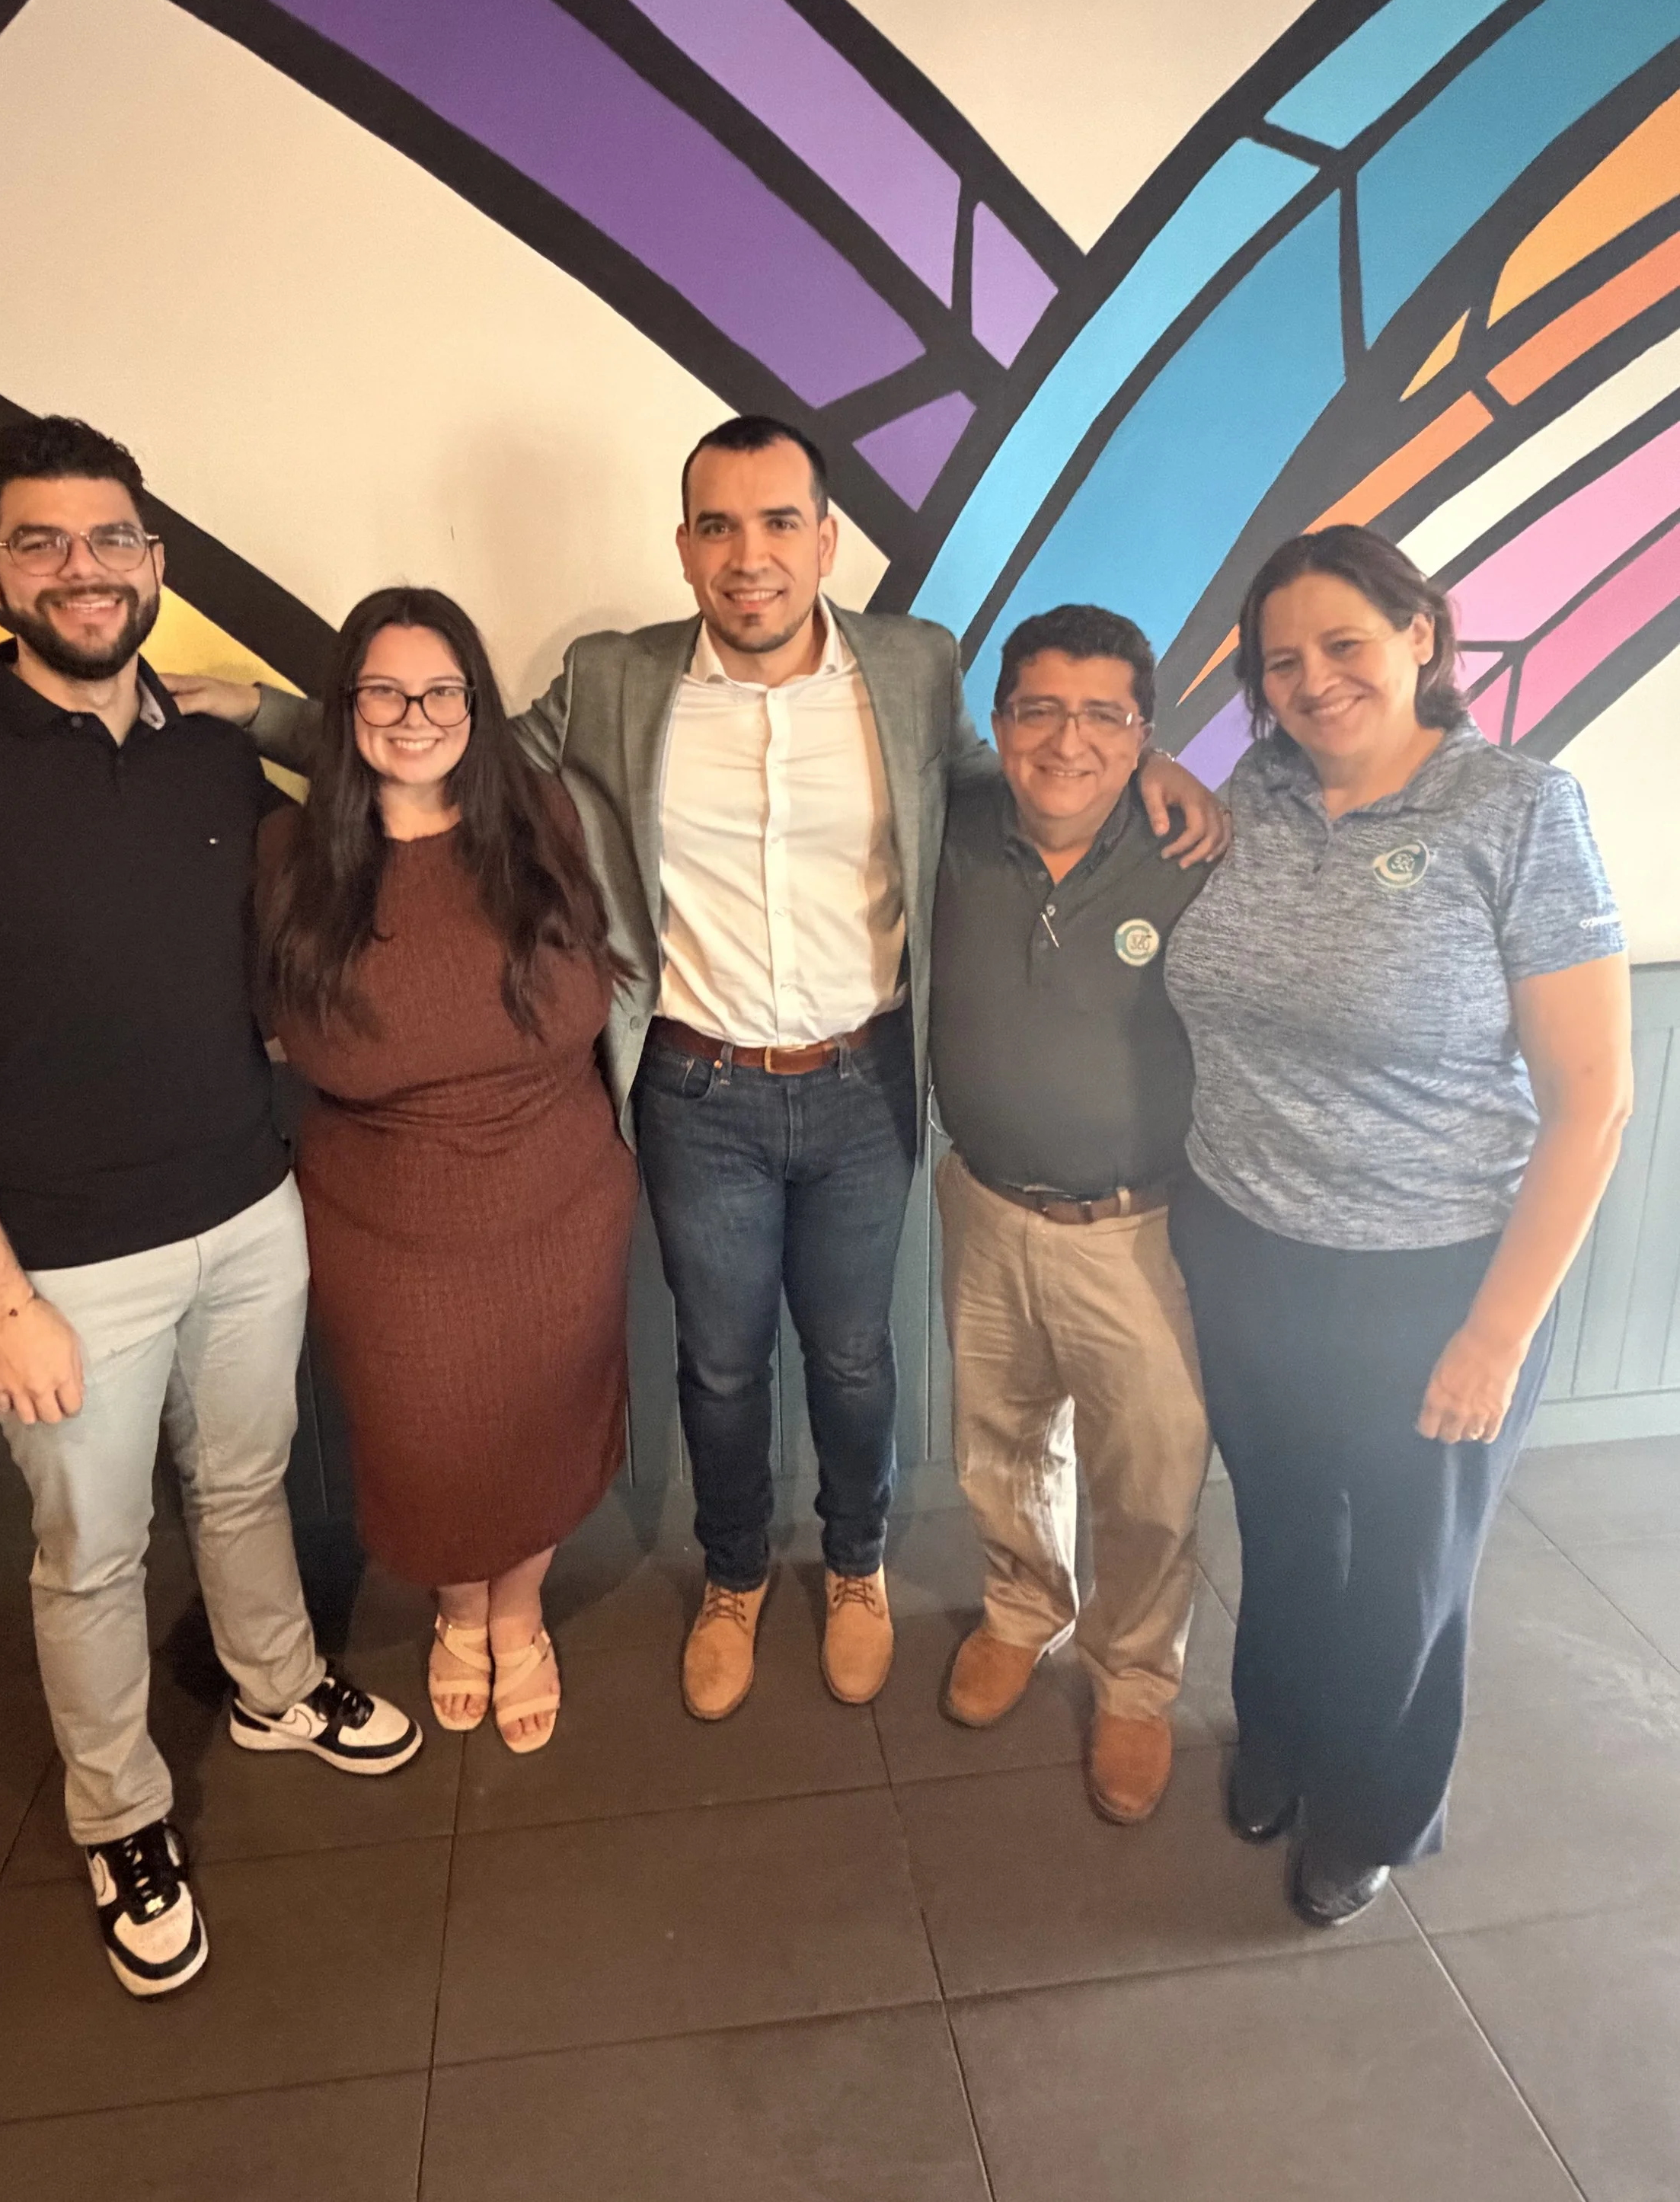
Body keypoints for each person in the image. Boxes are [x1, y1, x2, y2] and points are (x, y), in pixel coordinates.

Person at [170, 415, 1225, 1719]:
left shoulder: (911, 664)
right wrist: (271, 714)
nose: (752, 556)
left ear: (827, 539)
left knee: (850, 1357)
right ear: (683, 549)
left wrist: (1153, 763)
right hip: (697, 1088)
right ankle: (732, 1578)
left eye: (782, 523)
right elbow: (456, 751)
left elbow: (1007, 778)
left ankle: (855, 1568)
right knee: (721, 1362)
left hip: (863, 1083)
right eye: (719, 526)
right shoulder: (616, 679)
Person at [0, 417, 417, 2002]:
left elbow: (404, 777)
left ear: (155, 562)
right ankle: (120, 1815)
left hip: (247, 1206)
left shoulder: (220, 755)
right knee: (89, 1551)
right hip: (59, 1263)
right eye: (42, 541)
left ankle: (275, 1685)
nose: (83, 569)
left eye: (112, 540)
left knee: (247, 1481)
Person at [1163, 524, 1632, 1926]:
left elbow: (1594, 1099)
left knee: (1414, 1570)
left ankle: (1374, 1809)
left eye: (1344, 646)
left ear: (1423, 634)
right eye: (1282, 664)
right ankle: (1286, 1742)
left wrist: (1497, 1331)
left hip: (1434, 1275)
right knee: (1294, 1529)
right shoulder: (1262, 786)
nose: (1313, 683)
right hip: (1245, 1242)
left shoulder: (1518, 811)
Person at [256, 586, 636, 1753]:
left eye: (439, 690)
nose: (413, 714)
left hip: (561, 1197)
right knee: (423, 1435)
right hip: (379, 1217)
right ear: (344, 707)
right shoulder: (287, 854)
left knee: (540, 1421)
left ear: (476, 702)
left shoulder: (546, 822)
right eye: (383, 689)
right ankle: (454, 1604)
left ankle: (514, 1613)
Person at [929, 605, 1212, 1825]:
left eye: (1106, 716)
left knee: (1149, 1477)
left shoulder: (1199, 849)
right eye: (1039, 708)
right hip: (982, 1201)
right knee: (1001, 1441)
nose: (1068, 741)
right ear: (998, 723)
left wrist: (1182, 778)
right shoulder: (951, 818)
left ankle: (1138, 1684)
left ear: (1147, 734)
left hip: (1140, 1229)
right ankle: (1020, 1608)